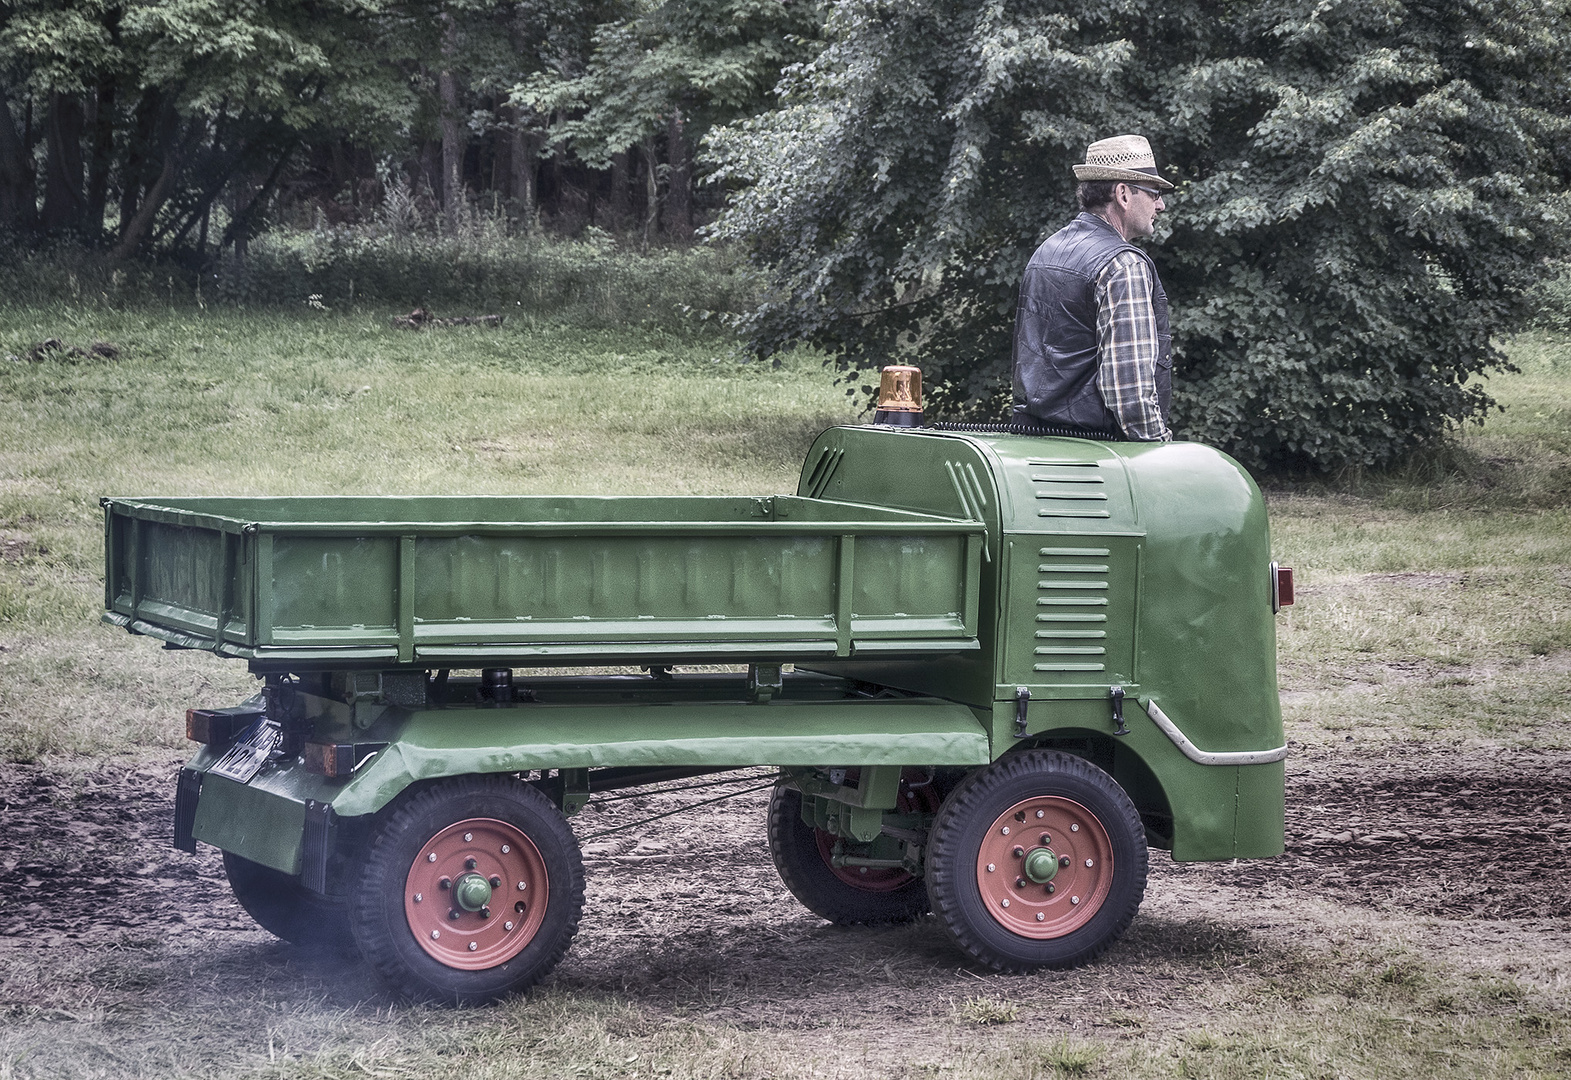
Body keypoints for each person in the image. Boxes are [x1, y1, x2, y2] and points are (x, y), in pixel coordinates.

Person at [1011, 134, 1174, 441]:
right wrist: (1157, 448)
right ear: (1123, 194)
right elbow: (1131, 392)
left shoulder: (1047, 250)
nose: (1161, 205)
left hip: (1032, 450)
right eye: (1154, 193)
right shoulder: (1124, 265)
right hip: (1099, 456)